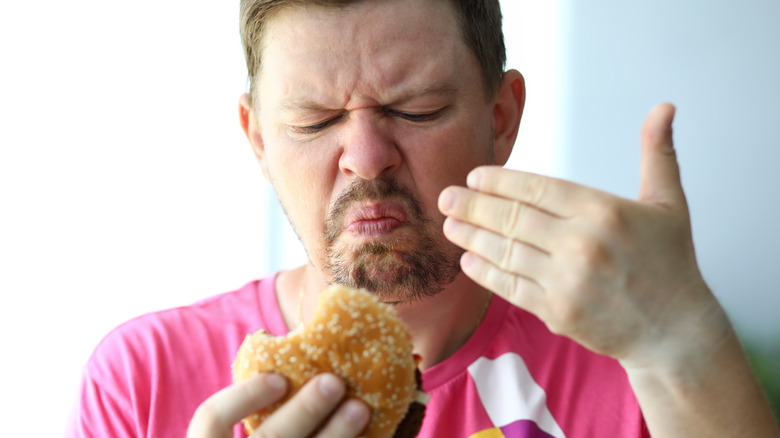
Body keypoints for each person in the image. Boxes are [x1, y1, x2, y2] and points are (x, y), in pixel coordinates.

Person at [67, 0, 780, 437]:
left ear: (500, 118)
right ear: (258, 140)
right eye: (315, 121)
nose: (367, 158)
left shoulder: (634, 364)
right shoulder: (143, 380)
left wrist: (686, 341)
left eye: (416, 109)